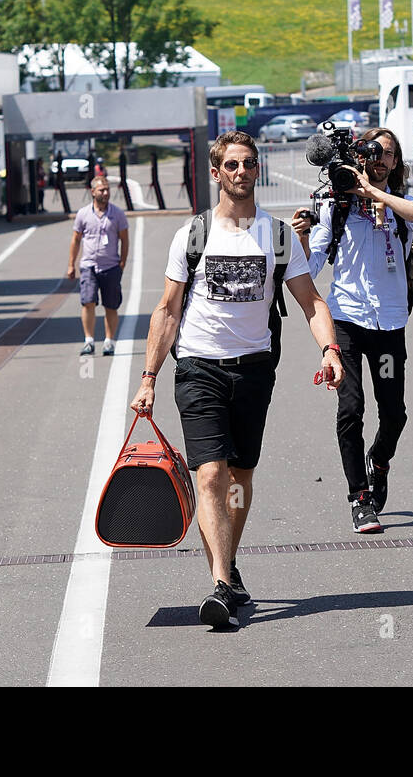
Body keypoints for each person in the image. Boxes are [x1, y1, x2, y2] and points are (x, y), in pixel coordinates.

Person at [131, 131, 342, 630]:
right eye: (232, 165)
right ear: (216, 172)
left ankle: (229, 563)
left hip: (254, 370)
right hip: (198, 367)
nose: (242, 172)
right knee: (210, 475)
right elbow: (167, 309)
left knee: (241, 479)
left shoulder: (279, 236)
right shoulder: (194, 235)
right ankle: (222, 583)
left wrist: (330, 350)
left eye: (249, 164)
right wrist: (148, 378)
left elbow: (310, 301)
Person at [293, 127, 413, 533]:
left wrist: (375, 195)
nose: (381, 158)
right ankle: (359, 498)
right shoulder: (336, 208)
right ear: (359, 157)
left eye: (388, 153)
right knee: (351, 409)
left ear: (395, 162)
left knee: (394, 413)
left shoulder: (400, 208)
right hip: (348, 322)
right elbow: (312, 265)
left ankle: (381, 460)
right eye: (373, 151)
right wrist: (303, 237)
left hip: (389, 324)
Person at [66, 176, 130, 356]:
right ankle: (89, 340)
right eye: (102, 190)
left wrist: (122, 263)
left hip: (111, 266)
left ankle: (109, 341)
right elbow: (76, 240)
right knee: (88, 302)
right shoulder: (83, 214)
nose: (106, 193)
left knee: (111, 305)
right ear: (92, 192)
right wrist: (71, 264)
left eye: (107, 189)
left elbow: (124, 240)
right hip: (89, 266)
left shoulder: (117, 214)